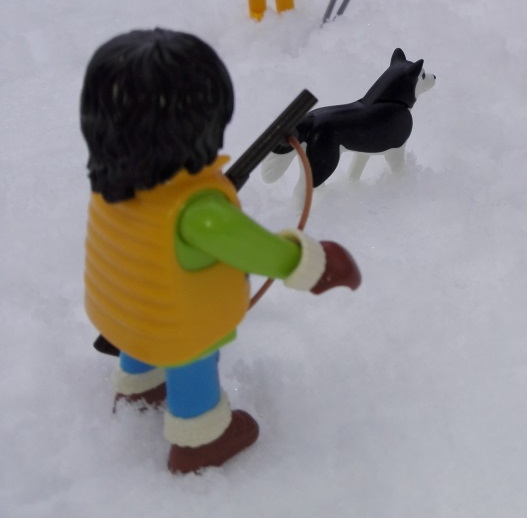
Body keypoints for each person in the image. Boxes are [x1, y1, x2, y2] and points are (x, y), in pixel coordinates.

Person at [80, 28, 360, 474]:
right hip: (177, 325)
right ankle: (201, 438)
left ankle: (138, 385)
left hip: (118, 309)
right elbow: (259, 251)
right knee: (194, 359)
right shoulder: (199, 212)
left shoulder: (113, 184)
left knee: (143, 330)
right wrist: (313, 264)